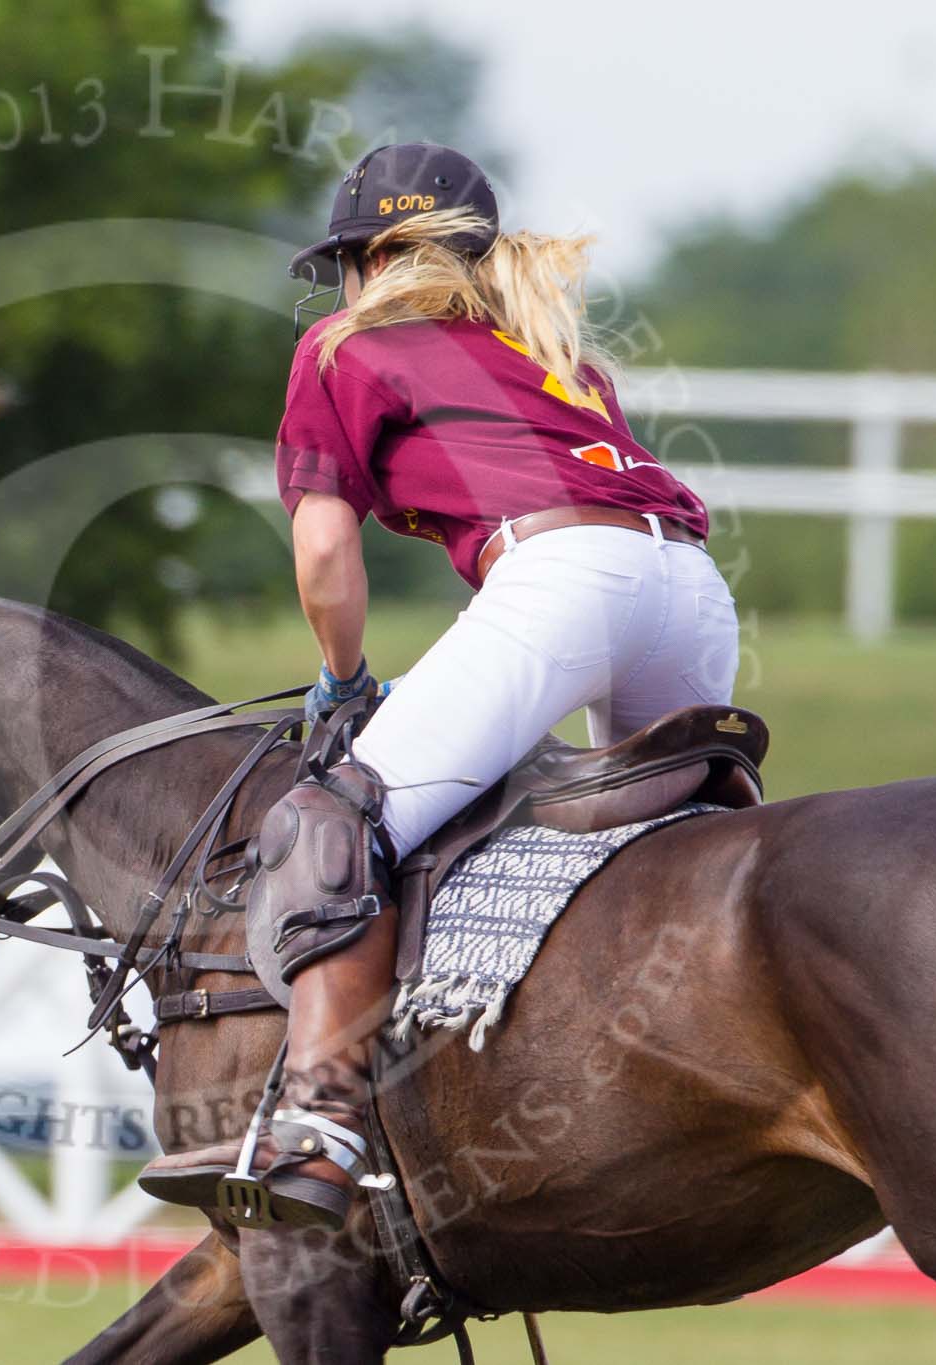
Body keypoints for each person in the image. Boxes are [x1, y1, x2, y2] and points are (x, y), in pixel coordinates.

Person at [138, 142, 741, 1230]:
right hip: (688, 584)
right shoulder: (555, 350)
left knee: (333, 819)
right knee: (665, 853)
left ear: (371, 259)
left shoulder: (342, 347)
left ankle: (318, 1120)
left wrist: (341, 681)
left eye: (344, 266)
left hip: (562, 577)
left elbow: (323, 556)